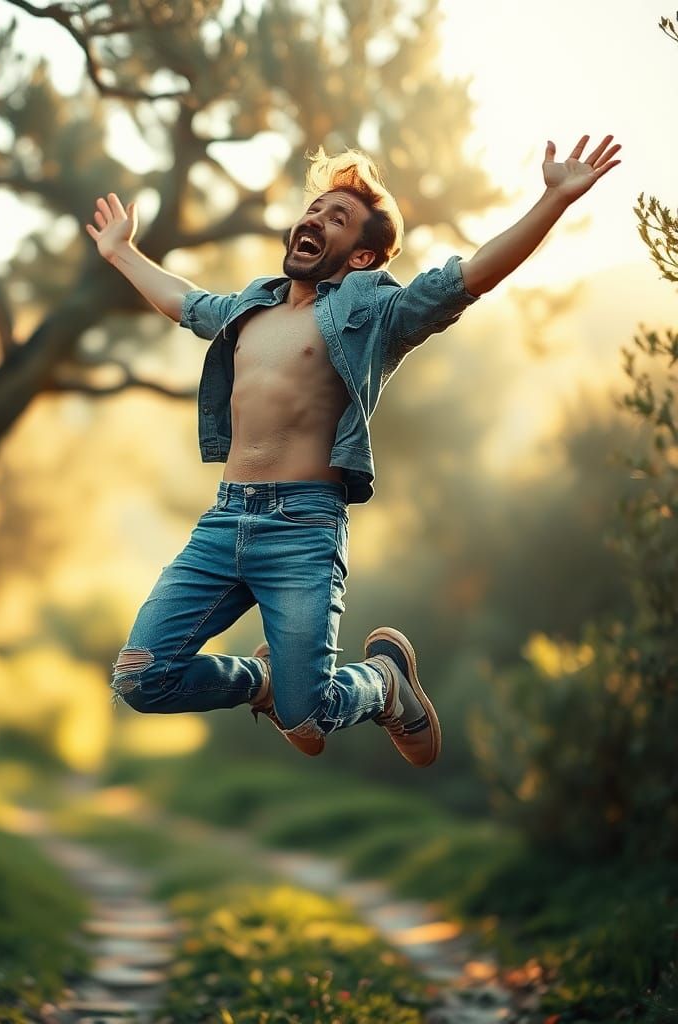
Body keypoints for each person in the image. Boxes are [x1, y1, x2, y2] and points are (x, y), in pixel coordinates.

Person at [87, 135, 621, 765]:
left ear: (363, 255)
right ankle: (261, 681)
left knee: (308, 719)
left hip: (303, 530)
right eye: (313, 209)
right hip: (224, 520)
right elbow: (184, 302)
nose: (315, 219)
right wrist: (121, 252)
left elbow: (473, 275)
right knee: (140, 678)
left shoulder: (377, 313)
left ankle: (384, 684)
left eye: (336, 218)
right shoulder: (250, 308)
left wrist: (554, 200)